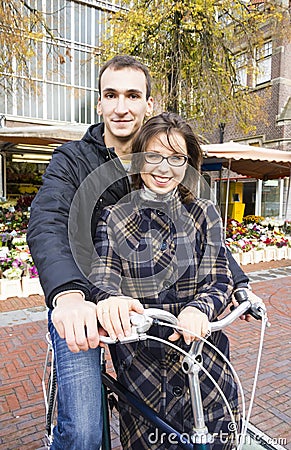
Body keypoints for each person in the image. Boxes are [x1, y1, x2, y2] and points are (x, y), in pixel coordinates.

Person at [27, 55, 255, 449]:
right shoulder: (73, 160)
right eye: (110, 95)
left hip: (145, 311)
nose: (121, 107)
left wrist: (237, 282)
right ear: (98, 103)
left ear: (149, 104)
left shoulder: (157, 157)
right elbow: (47, 221)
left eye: (132, 95)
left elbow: (204, 235)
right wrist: (68, 295)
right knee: (83, 431)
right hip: (79, 300)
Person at [90, 112, 239, 449]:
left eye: (176, 158)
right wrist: (109, 300)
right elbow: (103, 276)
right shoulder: (114, 217)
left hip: (205, 367)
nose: (163, 167)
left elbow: (218, 277)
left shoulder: (204, 213)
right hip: (144, 372)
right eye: (154, 155)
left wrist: (199, 310)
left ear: (188, 164)